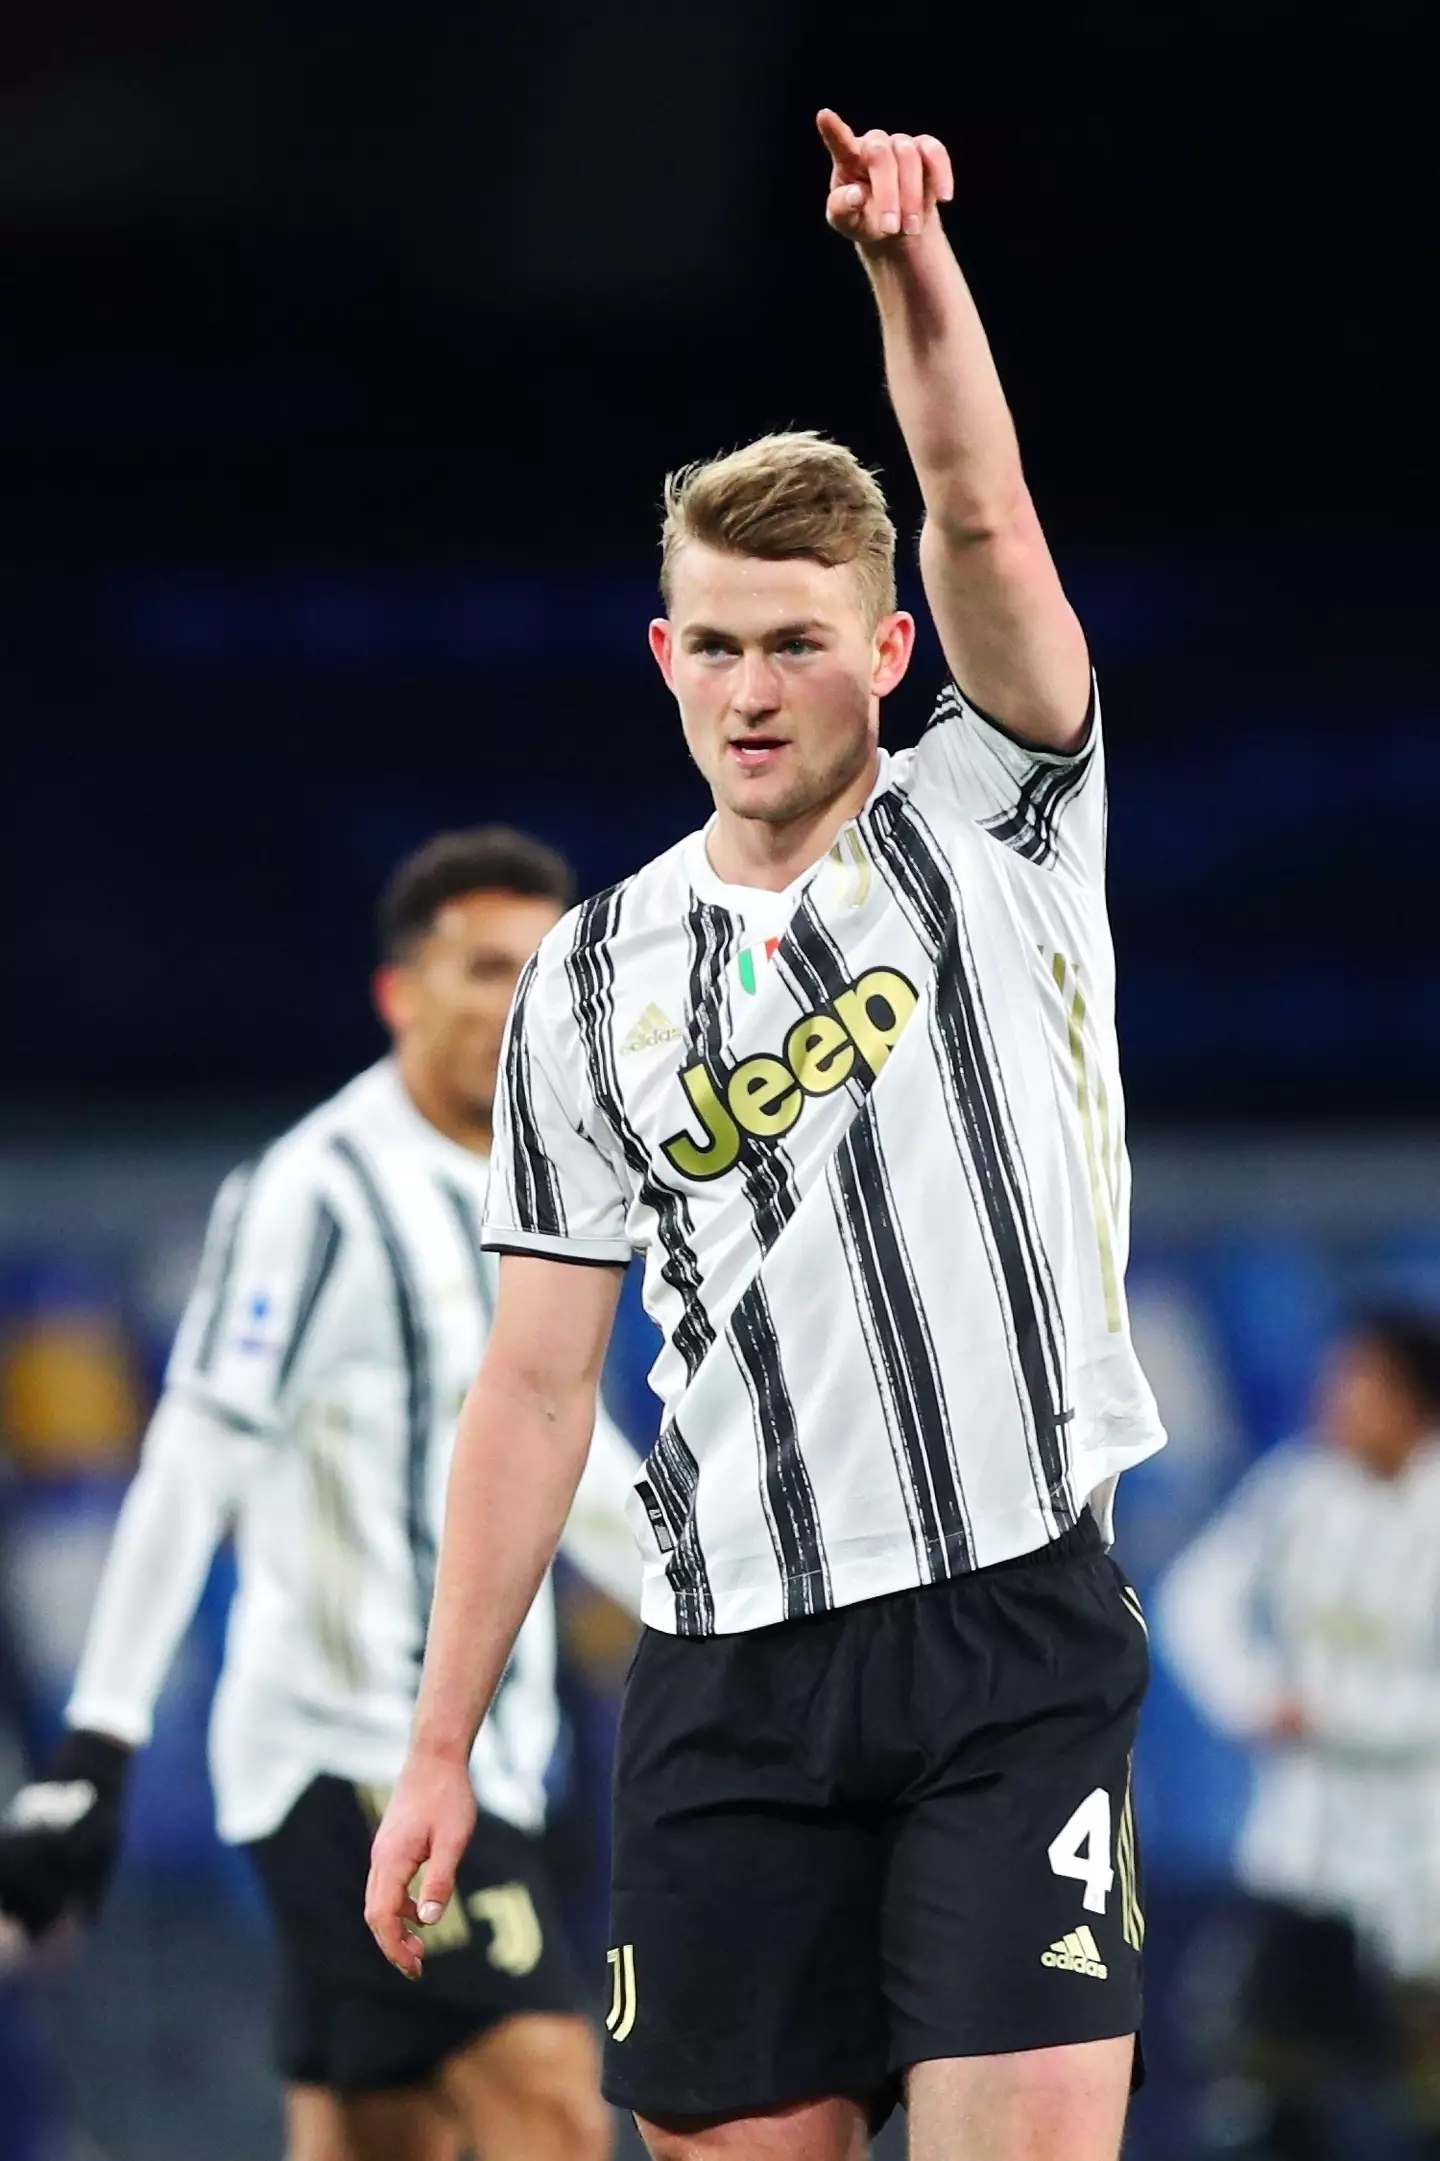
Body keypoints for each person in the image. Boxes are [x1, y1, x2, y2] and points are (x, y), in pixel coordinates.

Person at [366, 112, 1165, 2161]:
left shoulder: (995, 810)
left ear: (887, 655)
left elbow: (976, 509)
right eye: (712, 641)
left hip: (1009, 1635)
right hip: (728, 1672)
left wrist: (909, 269)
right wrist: (439, 1741)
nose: (751, 684)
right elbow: (539, 1385)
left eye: (798, 638)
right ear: (663, 655)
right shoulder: (588, 969)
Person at [0, 826, 642, 2161]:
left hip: (499, 1758)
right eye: (482, 966)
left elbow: (566, 1463)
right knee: (549, 2103)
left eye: (543, 967)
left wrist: (747, 1620)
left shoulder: (551, 1188)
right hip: (344, 1748)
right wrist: (97, 1745)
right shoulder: (319, 1191)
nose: (517, 998)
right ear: (402, 994)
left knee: (376, 2134)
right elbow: (198, 1448)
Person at [1160, 1308, 1440, 2160]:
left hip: (1424, 1854)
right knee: (1261, 2078)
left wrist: (1336, 1713)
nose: (1334, 1400)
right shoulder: (1296, 1491)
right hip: (1305, 1848)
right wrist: (1253, 1695)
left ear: (1411, 1399)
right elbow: (1194, 1598)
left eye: (1357, 1382)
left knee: (1419, 2096)